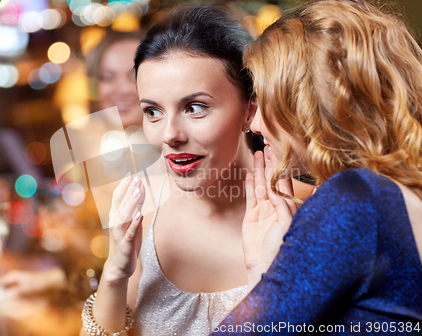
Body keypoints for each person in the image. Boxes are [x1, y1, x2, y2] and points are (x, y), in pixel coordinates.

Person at [80, 5, 315, 336]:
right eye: (153, 111)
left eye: (195, 107)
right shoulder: (142, 211)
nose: (169, 135)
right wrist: (116, 271)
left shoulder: (311, 215)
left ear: (250, 109)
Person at [212, 0, 422, 334]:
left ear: (304, 103)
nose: (254, 124)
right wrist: (263, 269)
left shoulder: (356, 199)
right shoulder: (390, 194)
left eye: (263, 99)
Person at [0, 30, 145, 302]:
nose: (119, 89)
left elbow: (151, 276)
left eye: (133, 76)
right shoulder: (118, 151)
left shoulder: (175, 160)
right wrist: (50, 277)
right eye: (107, 77)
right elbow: (121, 264)